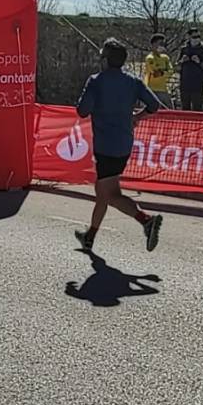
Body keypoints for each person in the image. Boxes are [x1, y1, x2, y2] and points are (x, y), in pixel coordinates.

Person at [74, 38, 163, 253]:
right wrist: (137, 117)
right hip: (124, 144)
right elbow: (154, 105)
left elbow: (82, 111)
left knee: (110, 195)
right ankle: (90, 236)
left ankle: (146, 221)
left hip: (105, 146)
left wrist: (93, 98)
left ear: (105, 60)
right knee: (102, 190)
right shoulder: (133, 81)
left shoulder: (96, 81)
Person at [179, 28, 203, 111]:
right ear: (189, 37)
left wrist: (199, 62)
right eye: (194, 37)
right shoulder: (183, 50)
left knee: (197, 110)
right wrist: (182, 61)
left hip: (198, 86)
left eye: (198, 36)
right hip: (184, 86)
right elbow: (175, 67)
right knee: (185, 110)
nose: (197, 39)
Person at [143, 33, 174, 108]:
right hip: (152, 90)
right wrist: (164, 71)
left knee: (170, 109)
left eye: (163, 44)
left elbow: (171, 71)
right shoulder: (150, 58)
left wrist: (162, 72)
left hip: (164, 89)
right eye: (160, 43)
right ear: (153, 44)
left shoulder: (165, 58)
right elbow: (155, 73)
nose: (161, 46)